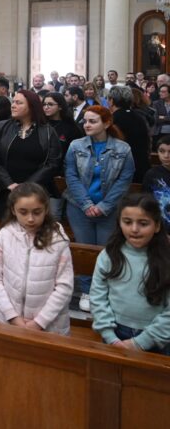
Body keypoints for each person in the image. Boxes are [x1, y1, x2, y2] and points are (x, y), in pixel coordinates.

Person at [65, 105, 135, 312]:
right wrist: (86, 204)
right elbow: (71, 176)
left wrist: (104, 206)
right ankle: (87, 290)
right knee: (85, 249)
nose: (87, 125)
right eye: (85, 121)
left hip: (109, 208)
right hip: (79, 207)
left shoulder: (122, 149)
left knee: (107, 251)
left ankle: (103, 291)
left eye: (92, 121)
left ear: (106, 123)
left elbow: (124, 180)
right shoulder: (76, 146)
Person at [0, 183, 74, 335]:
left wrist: (40, 322)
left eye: (37, 212)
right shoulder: (3, 236)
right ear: (13, 210)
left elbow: (64, 286)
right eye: (23, 212)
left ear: (46, 209)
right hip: (4, 318)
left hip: (49, 325)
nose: (31, 219)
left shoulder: (58, 240)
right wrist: (12, 316)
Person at [90, 193, 170, 355]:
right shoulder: (109, 255)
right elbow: (97, 297)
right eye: (127, 222)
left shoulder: (166, 259)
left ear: (157, 226)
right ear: (119, 223)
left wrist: (140, 342)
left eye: (143, 223)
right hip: (114, 333)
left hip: (157, 338)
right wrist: (110, 336)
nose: (134, 229)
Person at [0, 90, 62, 219]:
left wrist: (28, 186)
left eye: (19, 103)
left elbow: (53, 162)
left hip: (35, 191)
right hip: (5, 190)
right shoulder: (1, 127)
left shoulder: (47, 131)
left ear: (31, 106)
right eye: (13, 102)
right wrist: (8, 183)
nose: (13, 105)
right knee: (8, 228)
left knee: (31, 227)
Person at [109, 85, 151, 183]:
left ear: (111, 101)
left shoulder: (112, 119)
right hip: (141, 166)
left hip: (122, 170)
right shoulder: (139, 117)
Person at [142, 135, 170, 230]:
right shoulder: (152, 174)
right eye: (162, 151)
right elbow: (146, 202)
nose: (166, 156)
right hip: (159, 226)